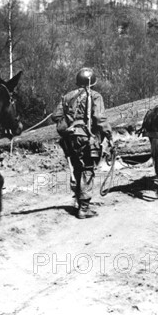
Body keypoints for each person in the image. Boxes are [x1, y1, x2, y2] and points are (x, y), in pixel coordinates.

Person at [52, 67, 112, 219]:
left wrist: (70, 120)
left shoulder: (67, 96)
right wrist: (108, 134)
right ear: (92, 82)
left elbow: (55, 116)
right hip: (86, 136)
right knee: (87, 169)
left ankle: (79, 202)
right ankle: (84, 208)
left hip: (70, 138)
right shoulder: (95, 96)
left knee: (77, 169)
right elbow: (99, 118)